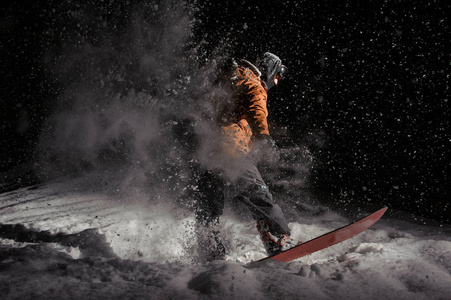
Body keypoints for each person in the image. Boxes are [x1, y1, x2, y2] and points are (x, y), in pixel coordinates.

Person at [193, 52, 299, 260]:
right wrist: (264, 136)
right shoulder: (254, 83)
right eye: (277, 75)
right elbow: (257, 108)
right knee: (257, 194)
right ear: (270, 70)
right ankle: (278, 238)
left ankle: (210, 249)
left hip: (207, 151)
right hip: (231, 150)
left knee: (209, 203)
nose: (276, 82)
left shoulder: (229, 80)